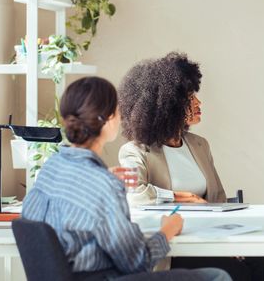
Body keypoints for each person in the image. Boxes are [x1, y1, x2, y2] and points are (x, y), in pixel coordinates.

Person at [22, 76, 230, 281]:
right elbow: (137, 261)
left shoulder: (52, 167)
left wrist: (104, 179)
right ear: (109, 119)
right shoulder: (105, 183)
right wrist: (168, 229)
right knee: (218, 276)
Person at [118, 52, 264, 281]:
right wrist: (180, 197)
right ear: (168, 105)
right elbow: (134, 194)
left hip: (209, 238)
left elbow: (218, 198)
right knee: (237, 273)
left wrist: (233, 242)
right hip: (176, 245)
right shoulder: (136, 151)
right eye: (190, 98)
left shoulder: (199, 145)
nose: (198, 103)